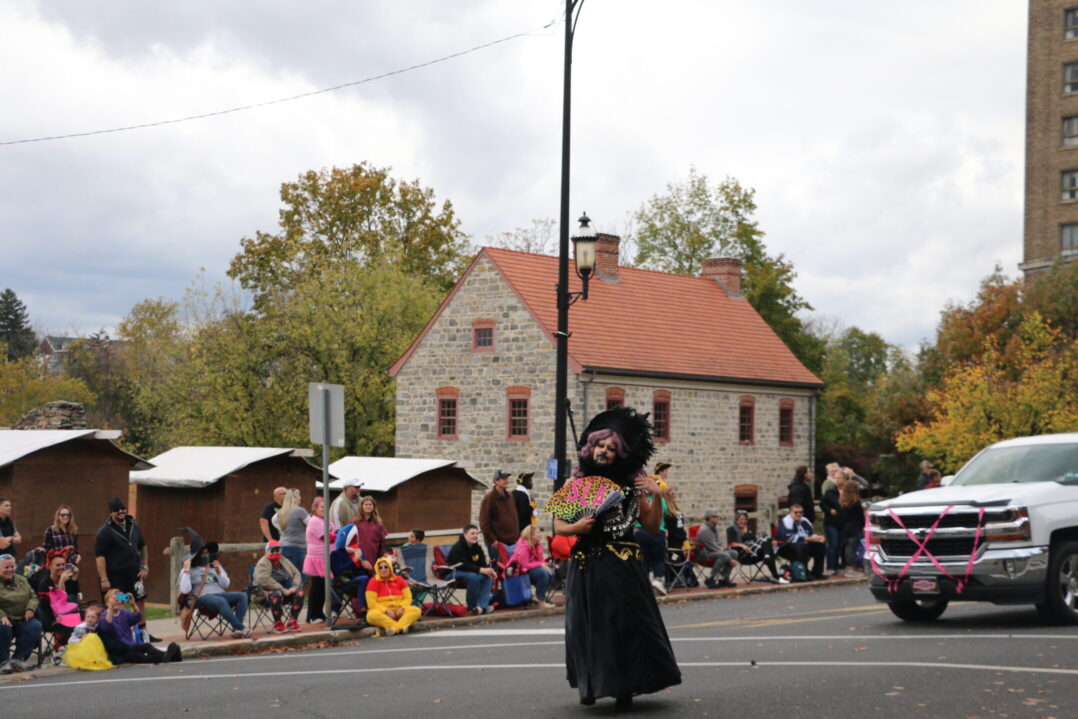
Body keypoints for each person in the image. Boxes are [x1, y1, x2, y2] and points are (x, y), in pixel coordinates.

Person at [555, 406, 681, 709]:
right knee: (587, 624)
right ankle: (589, 685)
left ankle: (624, 686)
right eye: (600, 445)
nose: (604, 451)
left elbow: (651, 526)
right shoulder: (577, 483)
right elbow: (559, 526)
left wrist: (654, 495)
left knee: (625, 624)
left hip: (624, 563)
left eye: (611, 448)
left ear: (620, 454)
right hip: (588, 563)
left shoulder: (633, 483)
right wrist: (578, 526)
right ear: (591, 446)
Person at [94, 498, 156, 642]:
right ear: (111, 513)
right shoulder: (105, 531)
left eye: (123, 509)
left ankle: (143, 633)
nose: (121, 512)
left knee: (139, 601)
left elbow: (143, 546)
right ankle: (116, 633)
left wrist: (144, 566)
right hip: (115, 575)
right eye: (117, 510)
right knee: (117, 601)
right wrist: (104, 578)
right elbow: (100, 557)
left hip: (134, 573)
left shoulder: (134, 525)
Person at [178, 533, 250, 638]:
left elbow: (226, 584)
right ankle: (241, 628)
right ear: (196, 555)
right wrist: (186, 571)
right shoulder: (189, 569)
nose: (206, 556)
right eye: (203, 554)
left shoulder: (214, 565)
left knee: (242, 596)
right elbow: (185, 590)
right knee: (221, 601)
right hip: (202, 597)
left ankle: (236, 630)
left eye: (207, 553)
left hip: (219, 594)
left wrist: (218, 571)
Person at [99, 589, 181, 664]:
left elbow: (137, 618)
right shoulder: (104, 615)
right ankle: (170, 657)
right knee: (139, 656)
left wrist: (133, 605)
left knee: (147, 646)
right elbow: (106, 627)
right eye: (114, 598)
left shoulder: (124, 613)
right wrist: (110, 607)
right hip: (120, 649)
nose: (116, 600)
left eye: (118, 597)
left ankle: (169, 656)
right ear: (107, 602)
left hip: (130, 645)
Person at [0, 553, 42, 673]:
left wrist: (30, 608)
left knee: (35, 626)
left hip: (20, 620)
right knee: (3, 628)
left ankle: (17, 659)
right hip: (3, 622)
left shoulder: (21, 580)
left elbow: (33, 596)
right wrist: (1, 616)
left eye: (12, 567)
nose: (10, 570)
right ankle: (3, 662)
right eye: (6, 567)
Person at [253, 540, 305, 633]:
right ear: (266, 551)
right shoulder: (262, 563)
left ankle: (292, 622)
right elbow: (264, 580)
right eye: (272, 550)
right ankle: (278, 623)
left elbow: (296, 573)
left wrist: (294, 587)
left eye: (277, 550)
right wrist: (282, 590)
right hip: (265, 593)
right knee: (276, 594)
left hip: (285, 591)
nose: (275, 553)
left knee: (299, 593)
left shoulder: (283, 560)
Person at [726, 511, 788, 584]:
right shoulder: (731, 529)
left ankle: (767, 558)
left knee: (767, 543)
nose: (743, 521)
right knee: (767, 541)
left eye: (745, 519)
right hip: (744, 556)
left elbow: (756, 541)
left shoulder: (750, 529)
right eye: (741, 519)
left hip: (755, 553)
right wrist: (742, 545)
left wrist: (771, 541)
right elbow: (731, 544)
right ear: (736, 520)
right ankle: (776, 576)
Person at [364, 556, 421, 636]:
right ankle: (401, 626)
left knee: (416, 610)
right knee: (371, 616)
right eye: (380, 568)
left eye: (386, 567)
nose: (383, 569)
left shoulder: (400, 579)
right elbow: (371, 603)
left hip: (400, 610)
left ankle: (394, 628)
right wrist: (386, 610)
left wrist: (402, 607)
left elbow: (408, 597)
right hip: (383, 612)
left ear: (390, 568)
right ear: (377, 569)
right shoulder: (373, 582)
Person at [446, 524, 495, 615]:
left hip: (469, 572)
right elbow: (464, 565)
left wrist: (489, 570)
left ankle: (481, 607)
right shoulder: (458, 547)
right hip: (453, 572)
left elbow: (482, 564)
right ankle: (472, 607)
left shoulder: (477, 547)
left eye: (477, 533)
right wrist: (481, 570)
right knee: (474, 577)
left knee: (487, 576)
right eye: (472, 533)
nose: (475, 536)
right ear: (465, 534)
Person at [775, 505, 827, 580]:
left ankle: (817, 572)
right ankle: (804, 573)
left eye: (800, 512)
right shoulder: (786, 522)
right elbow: (790, 539)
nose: (798, 514)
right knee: (801, 546)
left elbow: (811, 533)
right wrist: (809, 539)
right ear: (790, 513)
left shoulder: (805, 520)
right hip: (784, 548)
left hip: (803, 546)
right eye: (796, 512)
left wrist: (818, 538)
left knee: (820, 546)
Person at [510, 524, 555, 608]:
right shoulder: (523, 547)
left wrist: (544, 565)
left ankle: (539, 596)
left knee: (552, 569)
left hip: (532, 569)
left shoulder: (537, 545)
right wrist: (540, 565)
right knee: (543, 573)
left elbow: (541, 561)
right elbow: (524, 565)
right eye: (538, 532)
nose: (540, 534)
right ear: (531, 535)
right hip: (521, 572)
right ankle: (541, 601)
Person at [336, 496, 387, 569]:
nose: (368, 506)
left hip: (373, 552)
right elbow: (348, 537)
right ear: (362, 506)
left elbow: (382, 540)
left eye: (370, 504)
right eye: (366, 504)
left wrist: (382, 554)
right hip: (359, 552)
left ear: (373, 507)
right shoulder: (355, 522)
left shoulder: (378, 523)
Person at [479, 469, 519, 558]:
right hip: (497, 542)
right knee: (498, 568)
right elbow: (484, 523)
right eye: (503, 478)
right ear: (496, 481)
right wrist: (492, 540)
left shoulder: (510, 496)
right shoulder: (489, 498)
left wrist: (517, 537)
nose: (506, 481)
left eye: (507, 478)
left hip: (512, 541)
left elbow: (514, 517)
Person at [272, 488, 309, 582]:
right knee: (300, 575)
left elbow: (273, 521)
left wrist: (284, 529)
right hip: (297, 547)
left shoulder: (282, 512)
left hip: (283, 546)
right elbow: (312, 525)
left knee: (286, 575)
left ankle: (287, 594)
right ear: (295, 498)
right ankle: (295, 594)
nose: (300, 498)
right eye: (299, 496)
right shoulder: (300, 511)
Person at [64, 604, 113, 671]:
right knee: (91, 636)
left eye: (93, 617)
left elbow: (106, 625)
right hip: (78, 647)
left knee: (94, 637)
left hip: (89, 648)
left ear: (97, 619)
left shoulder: (95, 626)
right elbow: (71, 640)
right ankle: (86, 660)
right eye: (88, 617)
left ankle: (95, 659)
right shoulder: (81, 627)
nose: (90, 619)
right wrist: (81, 639)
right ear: (85, 617)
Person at [694, 509, 736, 588]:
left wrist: (726, 550)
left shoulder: (714, 528)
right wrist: (729, 559)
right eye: (714, 516)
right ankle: (710, 578)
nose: (717, 518)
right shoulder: (705, 530)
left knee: (734, 553)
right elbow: (712, 547)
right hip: (704, 554)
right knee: (725, 555)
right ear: (709, 518)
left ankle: (724, 578)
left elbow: (719, 543)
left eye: (717, 516)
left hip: (713, 552)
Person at [303, 497, 328, 623]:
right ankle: (313, 615)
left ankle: (319, 613)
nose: (325, 509)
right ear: (315, 509)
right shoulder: (315, 521)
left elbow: (336, 531)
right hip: (317, 558)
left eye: (326, 507)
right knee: (317, 586)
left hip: (324, 557)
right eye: (322, 507)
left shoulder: (324, 520)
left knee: (323, 586)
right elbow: (328, 537)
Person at [835, 481, 866, 578]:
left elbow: (840, 517)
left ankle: (847, 566)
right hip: (855, 527)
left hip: (845, 527)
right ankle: (851, 567)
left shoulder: (842, 502)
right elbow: (860, 517)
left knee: (847, 548)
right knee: (853, 548)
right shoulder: (856, 502)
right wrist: (863, 526)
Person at [819, 468, 847, 574]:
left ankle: (837, 565)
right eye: (836, 478)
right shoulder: (830, 490)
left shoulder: (847, 491)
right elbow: (822, 503)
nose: (837, 480)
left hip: (843, 522)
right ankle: (830, 566)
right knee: (833, 543)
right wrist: (829, 510)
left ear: (844, 479)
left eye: (839, 478)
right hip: (831, 521)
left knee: (840, 544)